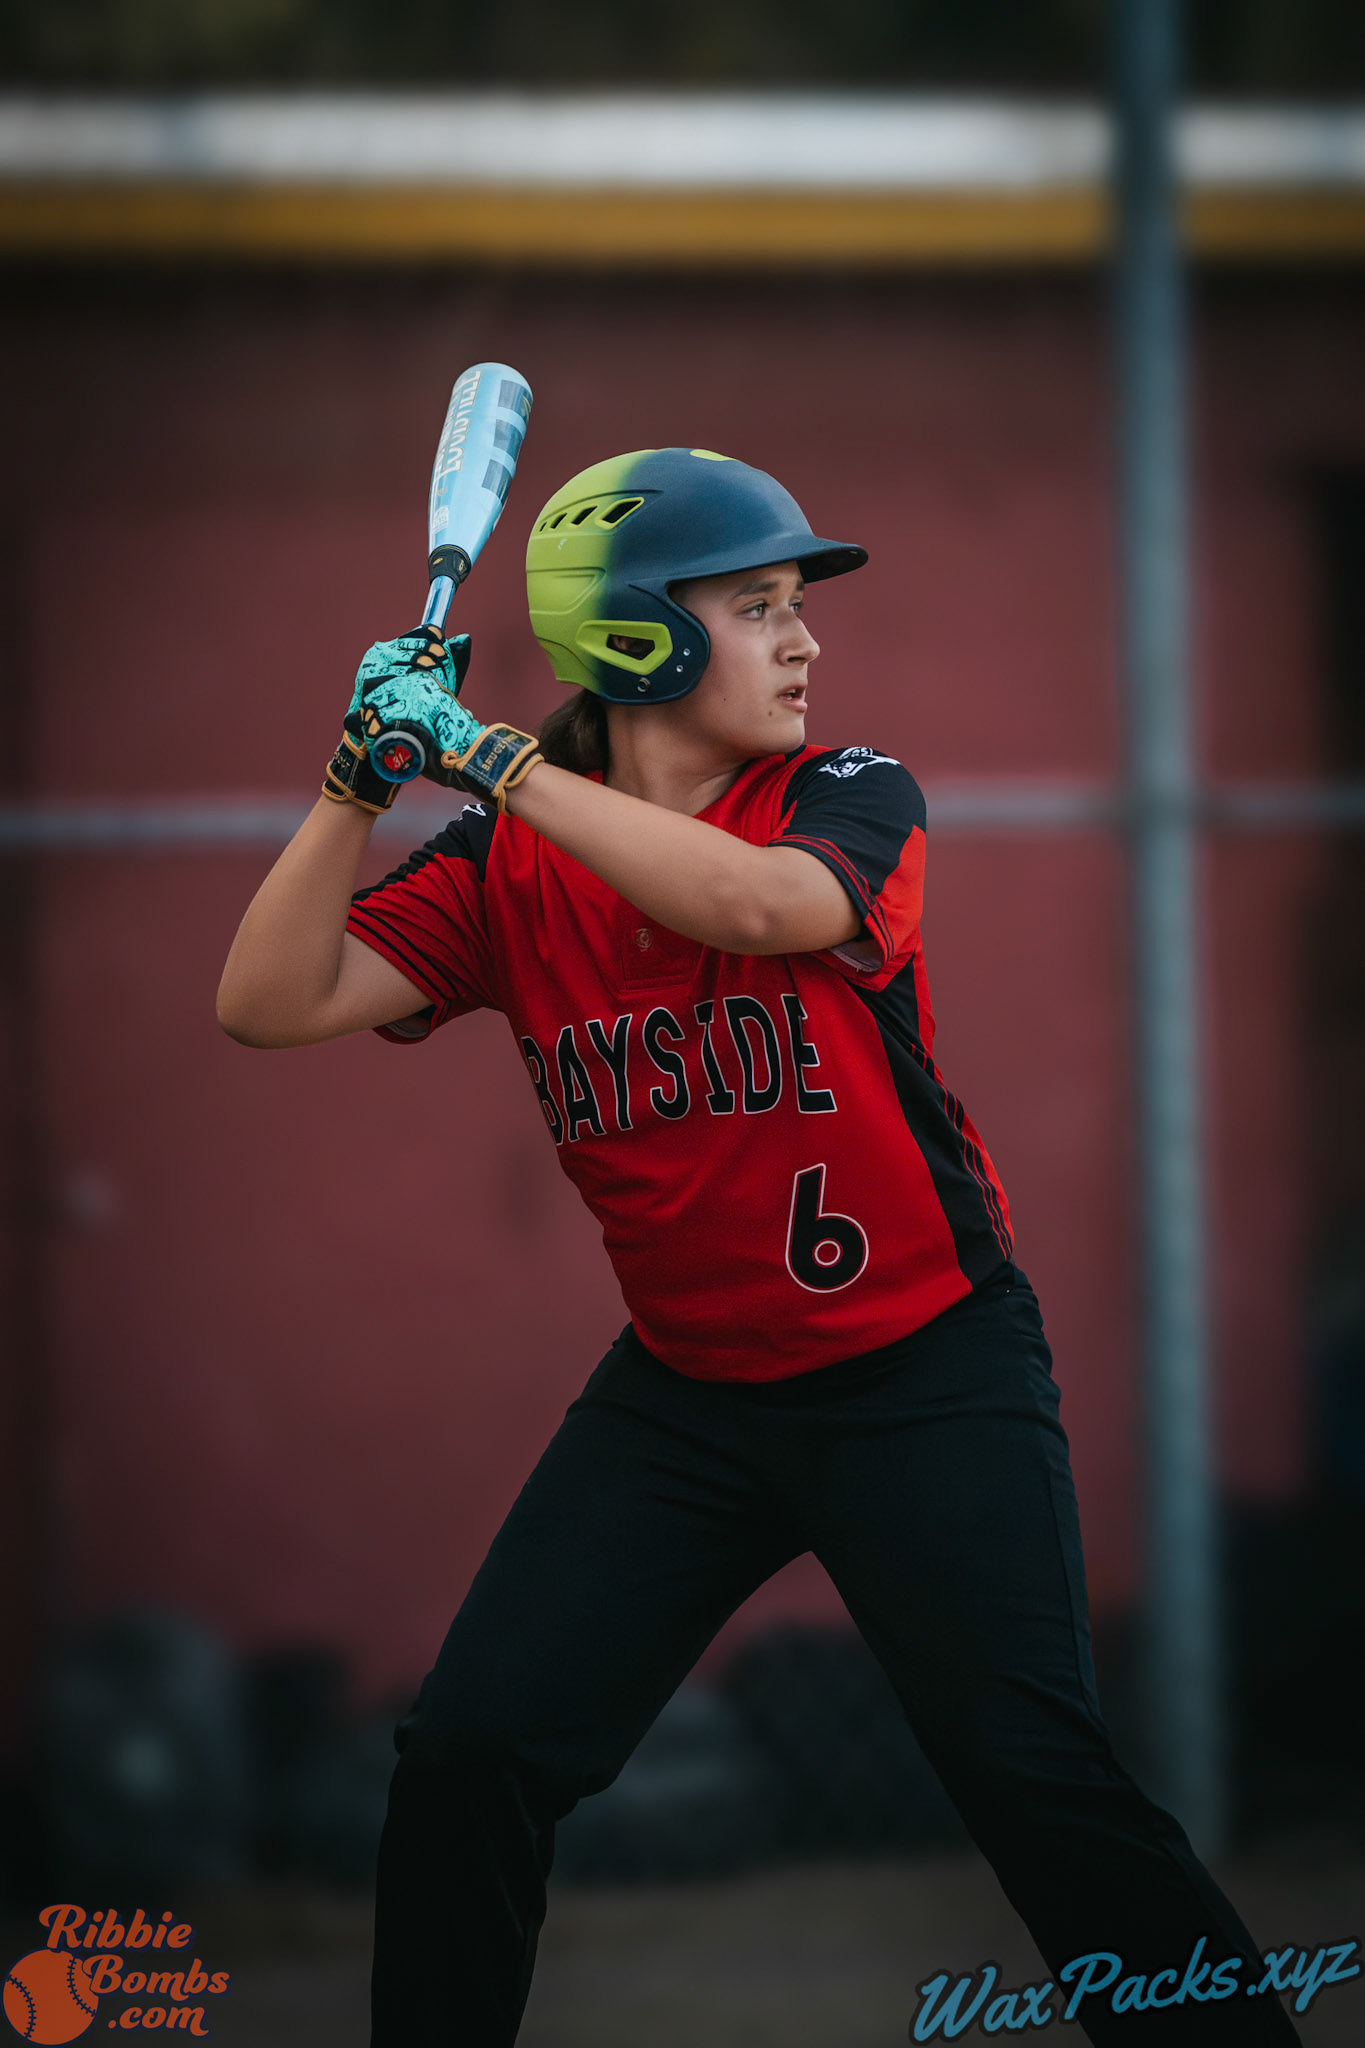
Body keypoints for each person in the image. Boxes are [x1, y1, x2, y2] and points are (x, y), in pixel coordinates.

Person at [217, 448, 1300, 2046]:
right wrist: (352, 787)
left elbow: (751, 906)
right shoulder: (503, 869)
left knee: (1036, 1786)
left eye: (796, 606)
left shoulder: (845, 795)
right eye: (756, 607)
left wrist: (489, 755)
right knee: (471, 1753)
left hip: (925, 1369)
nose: (804, 643)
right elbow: (266, 1002)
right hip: (689, 1399)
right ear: (640, 639)